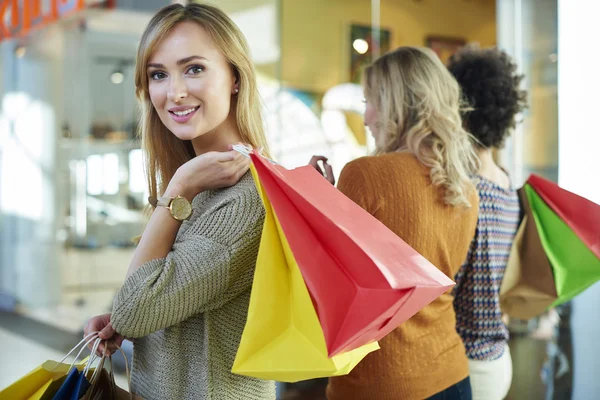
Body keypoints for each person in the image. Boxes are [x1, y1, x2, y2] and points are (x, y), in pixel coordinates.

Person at [83, 4, 275, 399]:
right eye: (158, 74)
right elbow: (141, 304)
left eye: (194, 68)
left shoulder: (245, 199)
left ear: (235, 77)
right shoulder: (201, 183)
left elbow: (133, 310)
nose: (175, 92)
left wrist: (177, 189)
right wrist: (125, 321)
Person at [311, 46, 480, 400]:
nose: (367, 117)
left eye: (370, 101)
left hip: (380, 381)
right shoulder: (465, 189)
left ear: (395, 106)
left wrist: (318, 206)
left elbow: (333, 284)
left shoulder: (365, 174)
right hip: (452, 373)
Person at [448, 46, 527, 400]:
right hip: (497, 358)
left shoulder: (465, 192)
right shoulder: (508, 185)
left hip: (465, 363)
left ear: (462, 113)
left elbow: (446, 283)